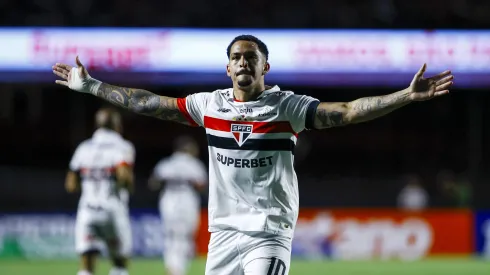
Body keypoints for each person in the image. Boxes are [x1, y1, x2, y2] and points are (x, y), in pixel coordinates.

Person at [53, 34, 454, 275]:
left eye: (251, 57)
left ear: (265, 66)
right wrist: (92, 86)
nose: (243, 61)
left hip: (269, 231)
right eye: (236, 57)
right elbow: (145, 102)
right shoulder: (208, 105)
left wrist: (404, 95)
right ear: (228, 68)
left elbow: (347, 112)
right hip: (223, 234)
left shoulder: (288, 107)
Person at [65, 107, 135, 275]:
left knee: (86, 266)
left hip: (87, 211)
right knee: (119, 263)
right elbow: (124, 177)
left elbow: (71, 185)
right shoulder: (122, 146)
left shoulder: (83, 147)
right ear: (117, 125)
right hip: (112, 210)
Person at [148, 135, 207, 275]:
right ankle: (178, 270)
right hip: (187, 203)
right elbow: (202, 185)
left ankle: (172, 268)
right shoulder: (194, 164)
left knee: (170, 238)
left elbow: (153, 183)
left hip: (168, 202)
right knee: (185, 238)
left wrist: (172, 179)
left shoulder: (167, 163)